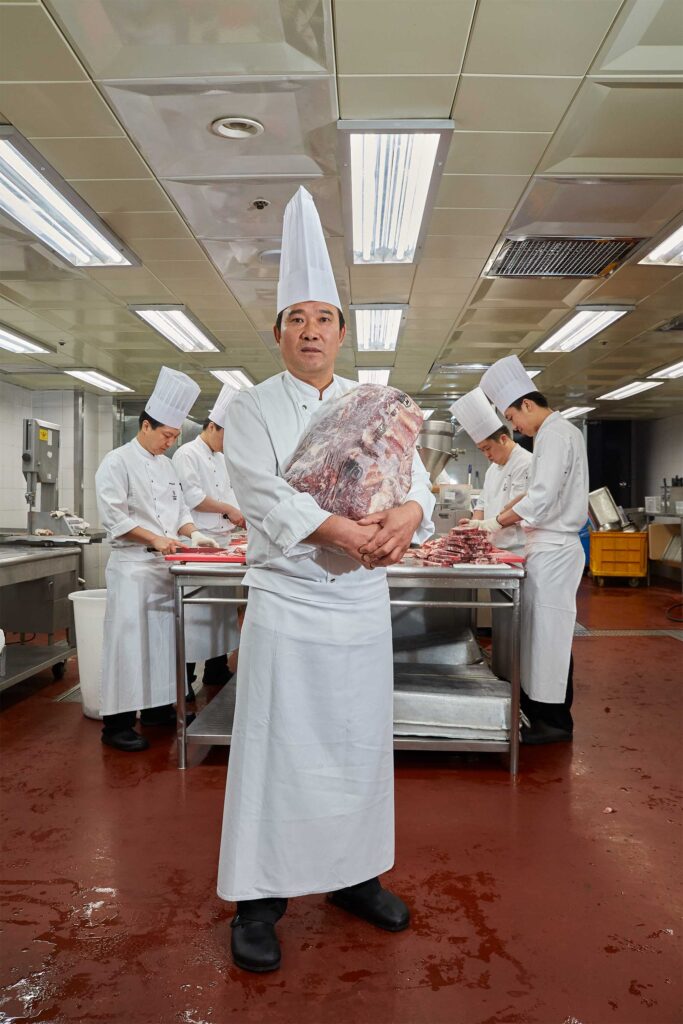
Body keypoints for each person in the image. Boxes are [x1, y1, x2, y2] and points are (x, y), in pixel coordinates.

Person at [216, 187, 435, 973]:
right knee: (274, 750)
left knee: (356, 745)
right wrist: (338, 530)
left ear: (342, 333)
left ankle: (353, 876)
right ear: (278, 333)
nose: (310, 331)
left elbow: (416, 478)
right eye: (296, 319)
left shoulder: (374, 401)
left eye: (323, 319)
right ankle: (258, 899)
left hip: (359, 603)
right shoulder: (249, 408)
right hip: (288, 601)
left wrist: (408, 513)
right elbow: (262, 493)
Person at [95, 367, 219, 753]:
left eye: (175, 437)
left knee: (164, 645)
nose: (170, 442)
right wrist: (154, 538)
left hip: (164, 570)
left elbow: (180, 510)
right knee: (129, 646)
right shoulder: (116, 462)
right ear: (146, 425)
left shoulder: (166, 465)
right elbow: (115, 517)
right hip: (133, 568)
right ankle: (116, 725)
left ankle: (158, 712)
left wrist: (193, 534)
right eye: (166, 435)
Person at [471, 356, 588, 745]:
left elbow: (540, 498)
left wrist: (495, 523)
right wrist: (501, 514)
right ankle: (539, 711)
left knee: (549, 635)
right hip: (546, 547)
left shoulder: (554, 434)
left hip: (555, 547)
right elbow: (537, 492)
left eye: (512, 417)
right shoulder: (555, 434)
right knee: (540, 634)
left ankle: (554, 722)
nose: (515, 426)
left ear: (527, 404)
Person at [172, 385, 246, 698]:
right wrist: (230, 510)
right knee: (194, 615)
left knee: (219, 613)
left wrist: (242, 516)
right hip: (197, 543)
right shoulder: (187, 454)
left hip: (222, 542)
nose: (229, 443)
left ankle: (216, 668)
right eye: (227, 435)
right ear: (212, 426)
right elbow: (195, 498)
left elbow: (231, 494)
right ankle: (185, 681)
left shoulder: (222, 458)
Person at [451, 388, 531, 552]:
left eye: (488, 448)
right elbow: (481, 506)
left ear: (503, 439)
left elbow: (517, 511)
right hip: (492, 548)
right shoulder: (492, 470)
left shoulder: (526, 462)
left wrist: (484, 525)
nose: (486, 455)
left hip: (517, 549)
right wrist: (472, 529)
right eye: (482, 450)